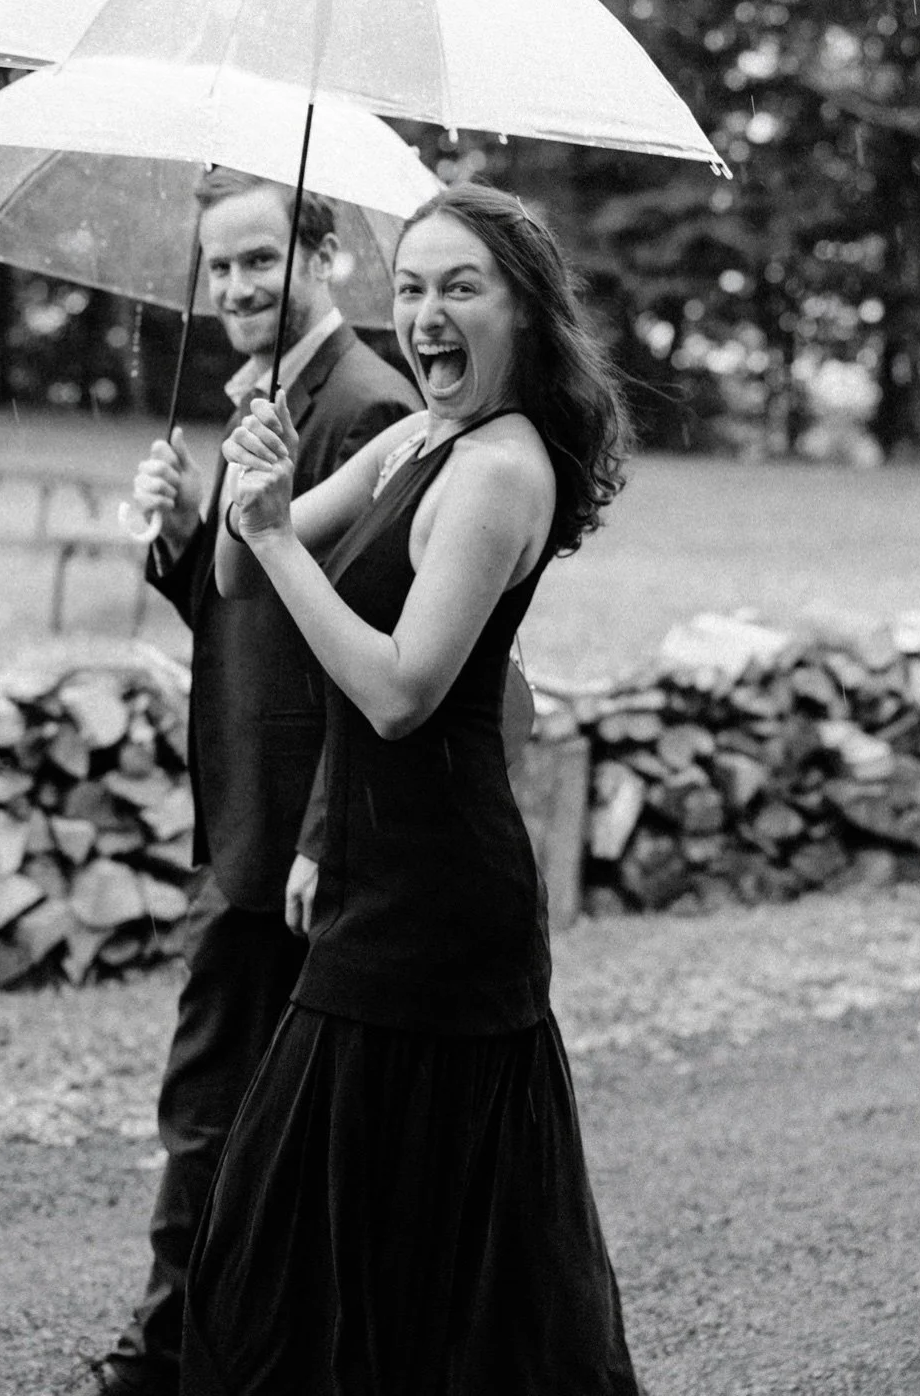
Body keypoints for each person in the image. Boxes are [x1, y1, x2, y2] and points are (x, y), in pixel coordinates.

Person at [185, 186, 646, 1396]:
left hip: (441, 906)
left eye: (459, 288)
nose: (425, 313)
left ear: (524, 313)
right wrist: (252, 482)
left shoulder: (500, 470)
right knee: (336, 1234)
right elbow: (235, 574)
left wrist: (284, 541)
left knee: (372, 1242)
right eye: (409, 287)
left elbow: (401, 691)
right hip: (367, 880)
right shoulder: (415, 441)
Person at [95, 183, 414, 1395]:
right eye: (214, 266)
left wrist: (325, 828)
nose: (230, 288)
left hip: (290, 830)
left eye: (257, 260)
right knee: (252, 1105)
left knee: (213, 1100)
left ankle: (161, 1359)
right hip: (239, 813)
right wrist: (180, 540)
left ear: (325, 256)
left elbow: (363, 649)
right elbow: (253, 612)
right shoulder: (266, 410)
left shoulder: (363, 411)